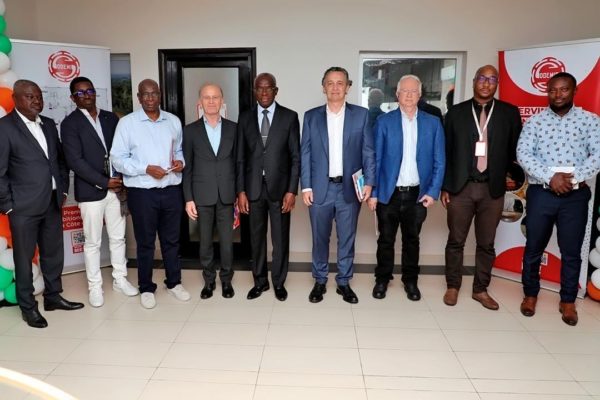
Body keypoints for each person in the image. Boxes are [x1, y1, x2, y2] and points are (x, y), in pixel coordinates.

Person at [517, 72, 600, 326]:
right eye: (552, 90)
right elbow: (523, 153)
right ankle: (530, 294)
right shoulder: (535, 122)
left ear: (574, 91)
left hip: (575, 196)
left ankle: (568, 300)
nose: (558, 94)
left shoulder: (590, 120)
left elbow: (597, 155)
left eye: (564, 89)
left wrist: (572, 180)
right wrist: (550, 178)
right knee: (533, 247)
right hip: (541, 193)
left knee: (572, 251)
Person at [0, 80, 84, 328]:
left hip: (52, 202)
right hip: (22, 208)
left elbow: (59, 161)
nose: (36, 101)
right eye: (30, 97)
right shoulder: (4, 128)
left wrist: (63, 190)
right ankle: (28, 307)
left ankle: (53, 297)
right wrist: (9, 205)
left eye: (38, 96)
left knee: (53, 254)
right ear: (15, 99)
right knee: (24, 259)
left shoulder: (47, 123)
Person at [441, 65, 521, 310]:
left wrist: (510, 177)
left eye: (492, 79)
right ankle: (452, 286)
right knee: (456, 240)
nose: (486, 83)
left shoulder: (509, 113)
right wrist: (445, 187)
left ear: (497, 84)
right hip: (461, 188)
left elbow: (515, 152)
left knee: (486, 243)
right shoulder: (456, 113)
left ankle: (480, 289)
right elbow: (445, 152)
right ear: (474, 81)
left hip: (492, 189)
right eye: (482, 79)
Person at [110, 79, 190, 309]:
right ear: (138, 97)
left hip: (171, 190)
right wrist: (145, 169)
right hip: (142, 192)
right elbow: (117, 159)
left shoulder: (173, 121)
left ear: (160, 94)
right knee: (145, 242)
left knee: (172, 240)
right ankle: (146, 287)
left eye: (154, 93)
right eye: (145, 94)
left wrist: (180, 162)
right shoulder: (127, 123)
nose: (150, 98)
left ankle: (174, 283)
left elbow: (179, 150)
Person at [61, 77, 138, 307]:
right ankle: (95, 287)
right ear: (72, 98)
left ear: (95, 93)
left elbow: (121, 150)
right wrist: (105, 182)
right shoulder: (70, 124)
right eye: (80, 93)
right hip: (91, 191)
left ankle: (120, 279)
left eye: (89, 91)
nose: (86, 95)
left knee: (118, 238)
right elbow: (75, 161)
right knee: (93, 242)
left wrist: (119, 180)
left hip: (117, 189)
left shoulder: (110, 118)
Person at [300, 66, 375, 304]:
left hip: (348, 190)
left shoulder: (361, 115)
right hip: (319, 189)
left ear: (348, 87)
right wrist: (306, 186)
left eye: (340, 83)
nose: (335, 87)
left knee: (347, 238)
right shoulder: (311, 117)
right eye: (330, 83)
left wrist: (370, 182)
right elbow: (305, 153)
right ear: (323, 87)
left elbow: (368, 152)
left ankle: (343, 282)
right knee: (319, 238)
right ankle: (320, 280)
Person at [367, 75, 445, 301]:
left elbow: (440, 160)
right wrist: (374, 192)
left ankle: (410, 281)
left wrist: (433, 191)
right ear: (397, 94)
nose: (409, 95)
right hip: (388, 193)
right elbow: (375, 160)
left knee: (412, 240)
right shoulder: (384, 122)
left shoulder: (433, 123)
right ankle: (382, 279)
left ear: (420, 95)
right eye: (405, 91)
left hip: (418, 194)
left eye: (413, 91)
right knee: (385, 239)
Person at [236, 73, 300, 301]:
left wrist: (292, 190)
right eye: (259, 88)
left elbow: (296, 157)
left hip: (280, 190)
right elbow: (240, 158)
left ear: (276, 90)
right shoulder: (244, 118)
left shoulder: (289, 117)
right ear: (254, 91)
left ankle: (279, 283)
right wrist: (241, 191)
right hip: (253, 189)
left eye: (268, 88)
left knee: (280, 238)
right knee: (256, 238)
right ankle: (260, 282)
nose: (264, 92)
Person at [183, 83, 237, 299]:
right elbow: (187, 167)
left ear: (222, 101)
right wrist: (188, 198)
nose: (212, 101)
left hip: (227, 194)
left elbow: (239, 164)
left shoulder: (234, 128)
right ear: (200, 102)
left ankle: (226, 280)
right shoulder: (190, 131)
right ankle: (209, 281)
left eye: (215, 97)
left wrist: (240, 193)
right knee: (205, 242)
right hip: (202, 195)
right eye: (207, 97)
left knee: (226, 242)